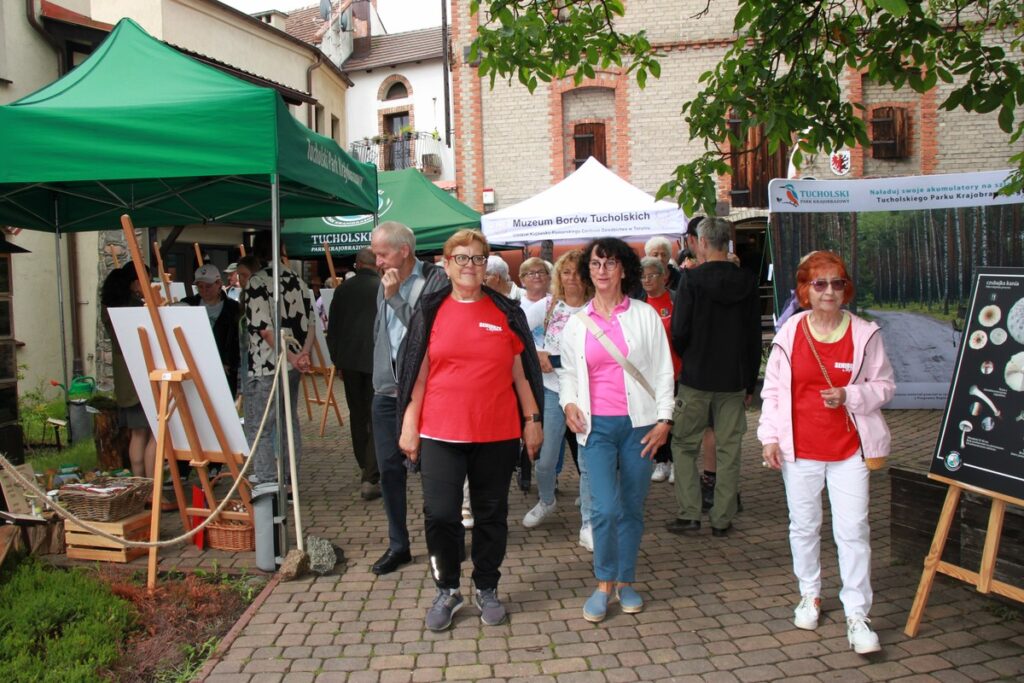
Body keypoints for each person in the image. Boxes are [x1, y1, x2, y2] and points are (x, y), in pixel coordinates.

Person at [398, 229, 544, 632]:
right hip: (440, 433)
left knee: (491, 514)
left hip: (496, 434)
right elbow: (417, 377)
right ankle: (447, 588)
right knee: (441, 514)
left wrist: (532, 421)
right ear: (446, 264)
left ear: (486, 266)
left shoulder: (504, 312)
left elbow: (521, 374)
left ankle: (486, 586)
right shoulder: (431, 311)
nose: (469, 265)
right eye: (460, 257)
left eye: (478, 258)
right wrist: (410, 425)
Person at [759, 251, 894, 655]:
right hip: (799, 449)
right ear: (805, 289)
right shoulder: (789, 333)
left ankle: (857, 612)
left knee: (853, 530)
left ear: (845, 287)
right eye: (819, 284)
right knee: (803, 526)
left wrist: (851, 394)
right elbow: (772, 391)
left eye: (836, 283)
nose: (829, 291)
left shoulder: (865, 333)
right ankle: (810, 593)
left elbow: (885, 386)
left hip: (849, 448)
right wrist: (769, 437)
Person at [560, 238, 675, 623]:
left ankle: (625, 581)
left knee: (631, 508)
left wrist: (665, 421)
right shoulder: (577, 324)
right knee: (604, 509)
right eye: (595, 264)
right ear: (588, 271)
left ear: (623, 269)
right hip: (596, 428)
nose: (603, 270)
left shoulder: (644, 315)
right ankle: (604, 581)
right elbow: (568, 376)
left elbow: (663, 371)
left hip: (641, 426)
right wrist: (569, 403)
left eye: (610, 263)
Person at [668, 217, 760, 538]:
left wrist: (692, 355)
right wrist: (750, 381)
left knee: (682, 444)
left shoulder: (690, 282)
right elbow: (753, 336)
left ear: (703, 243)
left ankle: (690, 513)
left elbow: (679, 332)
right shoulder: (747, 281)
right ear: (728, 242)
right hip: (733, 379)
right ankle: (722, 518)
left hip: (696, 377)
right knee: (729, 448)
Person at [369, 221, 448, 576]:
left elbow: (424, 332)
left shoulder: (435, 281)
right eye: (375, 254)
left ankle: (443, 545)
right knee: (389, 471)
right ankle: (398, 546)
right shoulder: (383, 282)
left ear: (403, 250)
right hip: (386, 393)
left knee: (434, 472)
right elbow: (382, 332)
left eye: (382, 254)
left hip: (426, 393)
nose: (378, 261)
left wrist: (395, 297)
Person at [522, 250, 592, 544]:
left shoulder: (596, 307)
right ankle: (547, 500)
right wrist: (536, 352)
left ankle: (589, 520)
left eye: (578, 272)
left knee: (589, 461)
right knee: (546, 459)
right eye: (566, 272)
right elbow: (518, 332)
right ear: (558, 277)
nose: (572, 278)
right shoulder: (549, 306)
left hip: (588, 393)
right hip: (552, 391)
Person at [243, 232, 314, 486]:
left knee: (260, 426)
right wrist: (301, 355)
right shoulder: (299, 281)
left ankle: (267, 482)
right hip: (292, 363)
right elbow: (311, 323)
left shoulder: (257, 282)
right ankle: (289, 478)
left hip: (266, 364)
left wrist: (293, 356)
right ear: (282, 249)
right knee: (287, 420)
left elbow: (264, 328)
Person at [326, 247, 381, 501]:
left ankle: (364, 465)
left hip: (349, 361)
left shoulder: (342, 290)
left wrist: (336, 359)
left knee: (358, 416)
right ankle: (371, 475)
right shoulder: (382, 288)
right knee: (376, 416)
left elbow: (332, 327)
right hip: (376, 361)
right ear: (376, 264)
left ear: (358, 264)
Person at [101, 263, 156, 479]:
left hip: (124, 378)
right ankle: (153, 489)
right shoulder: (134, 307)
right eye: (146, 281)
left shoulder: (109, 305)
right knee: (154, 435)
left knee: (137, 433)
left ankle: (140, 486)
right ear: (135, 282)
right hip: (140, 375)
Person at [639, 257, 681, 484]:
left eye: (651, 275)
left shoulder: (676, 300)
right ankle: (661, 461)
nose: (646, 280)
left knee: (673, 419)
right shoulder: (638, 303)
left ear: (663, 276)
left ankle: (676, 462)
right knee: (656, 418)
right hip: (648, 375)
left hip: (675, 370)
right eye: (643, 276)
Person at [182, 264, 240, 398]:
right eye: (200, 286)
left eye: (208, 286)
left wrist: (228, 362)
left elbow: (237, 339)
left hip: (224, 370)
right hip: (195, 367)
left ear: (219, 284)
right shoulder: (188, 304)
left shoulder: (233, 308)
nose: (204, 290)